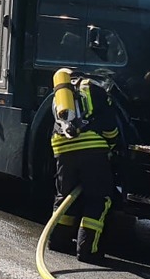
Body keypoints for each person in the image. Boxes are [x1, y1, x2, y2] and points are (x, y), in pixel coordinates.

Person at [47, 68, 118, 263]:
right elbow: (109, 126)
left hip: (61, 148)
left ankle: (57, 240)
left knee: (65, 197)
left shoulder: (61, 94)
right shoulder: (95, 89)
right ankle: (88, 250)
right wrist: (112, 146)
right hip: (92, 148)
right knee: (98, 199)